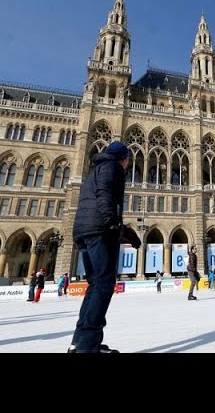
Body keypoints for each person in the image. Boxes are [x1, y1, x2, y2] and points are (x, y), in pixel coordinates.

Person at [68, 141, 141, 353]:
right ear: (124, 159)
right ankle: (88, 345)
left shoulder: (96, 170)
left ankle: (80, 342)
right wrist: (112, 222)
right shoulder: (113, 168)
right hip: (99, 231)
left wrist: (126, 233)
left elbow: (101, 200)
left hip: (85, 231)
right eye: (127, 159)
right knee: (103, 285)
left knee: (95, 285)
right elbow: (106, 195)